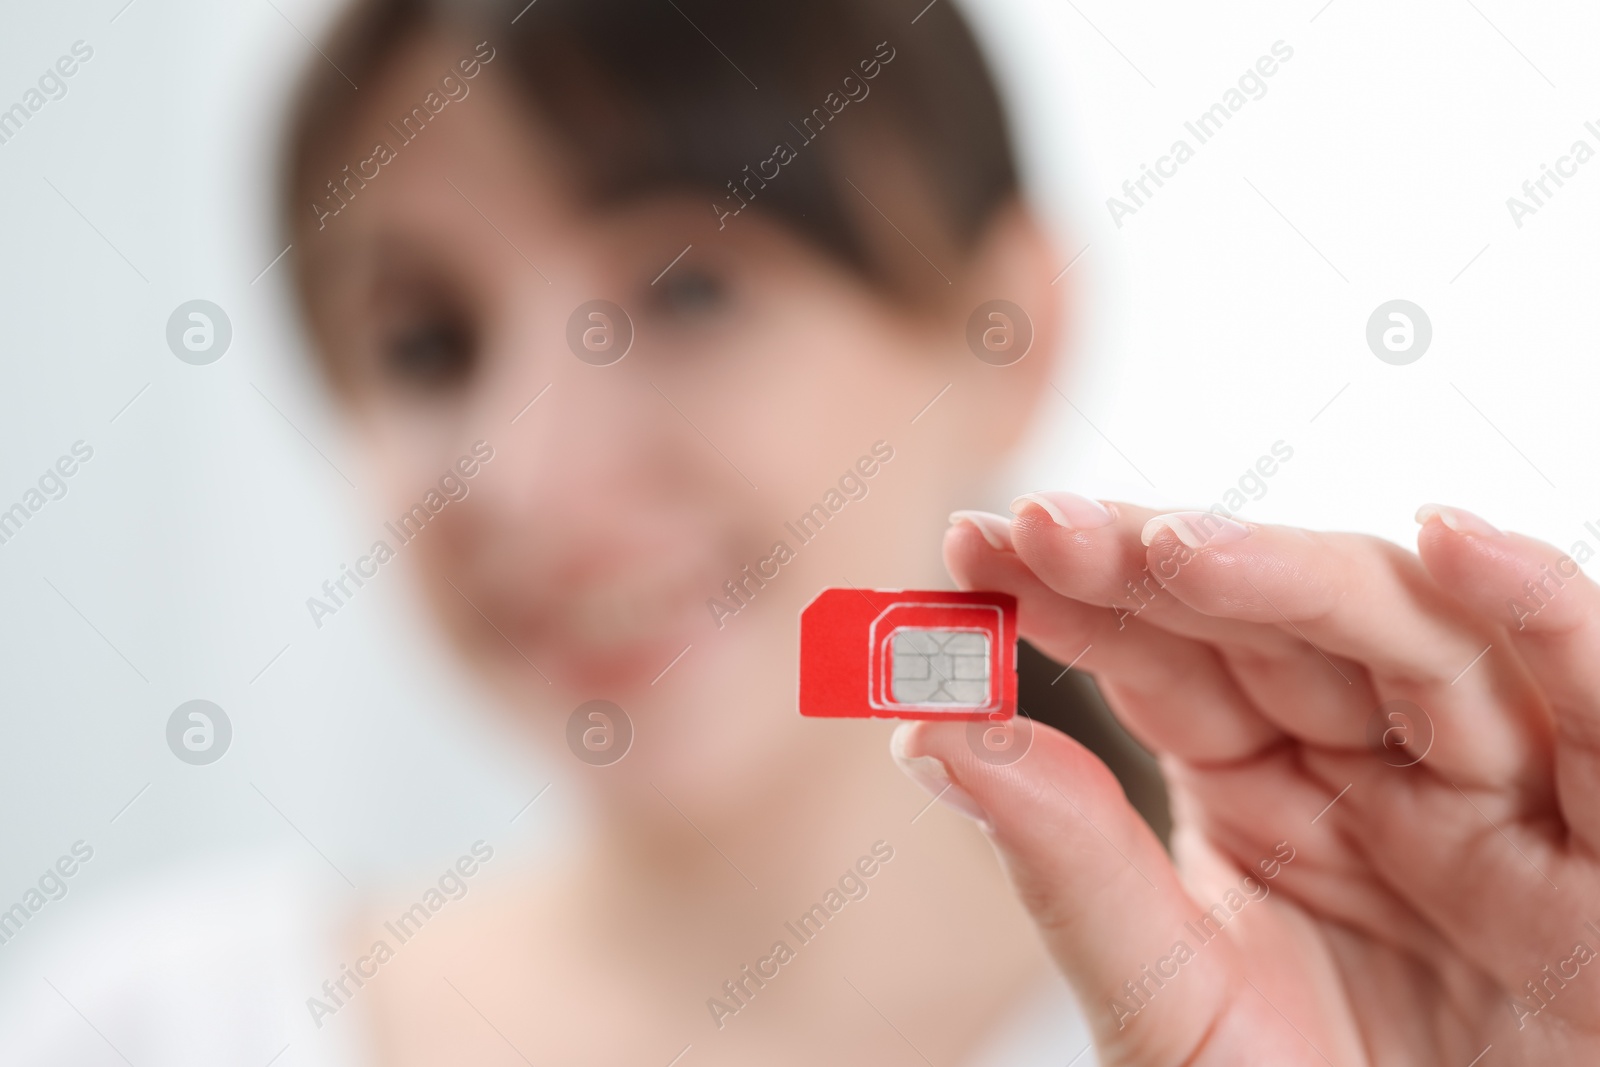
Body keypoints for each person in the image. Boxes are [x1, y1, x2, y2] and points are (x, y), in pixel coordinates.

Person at [6, 0, 1598, 1064]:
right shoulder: (128, 1021)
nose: (524, 474)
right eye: (425, 340)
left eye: (688, 288)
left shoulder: (1350, 1024)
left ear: (1009, 327)